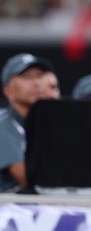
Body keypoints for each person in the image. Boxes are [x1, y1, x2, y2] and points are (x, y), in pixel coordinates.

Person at [0, 53, 54, 191]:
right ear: (8, 91)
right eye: (26, 77)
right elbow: (28, 178)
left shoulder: (50, 126)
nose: (36, 83)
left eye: (39, 76)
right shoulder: (3, 126)